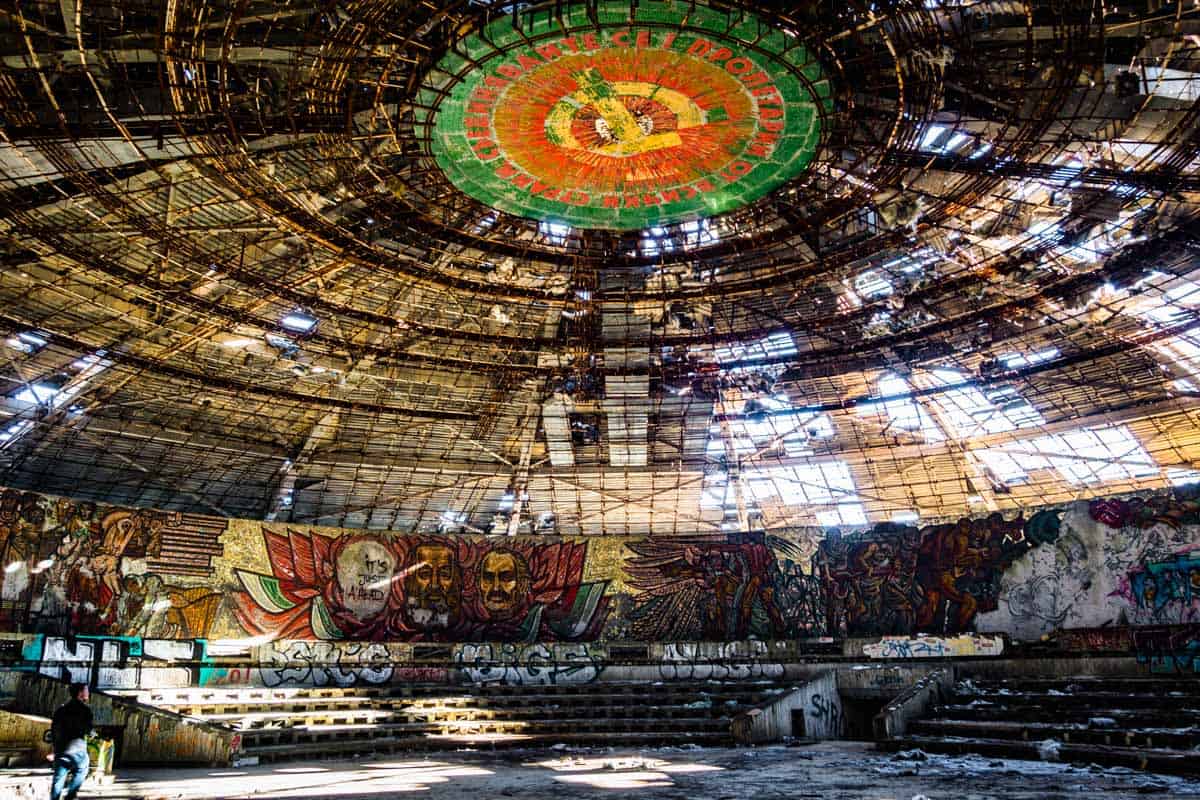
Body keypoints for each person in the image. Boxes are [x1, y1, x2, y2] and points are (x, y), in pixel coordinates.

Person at [49, 682, 92, 800]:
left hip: (61, 749)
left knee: (58, 779)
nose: (88, 693)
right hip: (77, 748)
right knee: (82, 769)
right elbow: (87, 730)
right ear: (80, 694)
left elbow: (53, 730)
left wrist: (55, 749)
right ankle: (70, 796)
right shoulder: (86, 710)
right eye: (86, 690)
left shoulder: (60, 710)